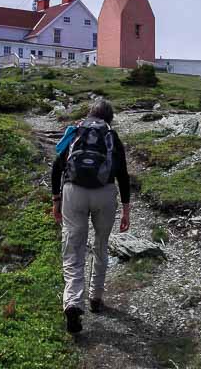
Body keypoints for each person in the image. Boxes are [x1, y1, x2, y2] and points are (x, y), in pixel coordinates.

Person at [51, 98, 131, 334]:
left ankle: (73, 302)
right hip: (105, 193)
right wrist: (126, 208)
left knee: (73, 249)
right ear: (109, 118)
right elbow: (123, 175)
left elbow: (57, 166)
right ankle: (96, 298)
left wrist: (56, 200)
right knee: (101, 245)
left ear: (90, 114)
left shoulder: (75, 131)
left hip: (73, 192)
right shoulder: (112, 137)